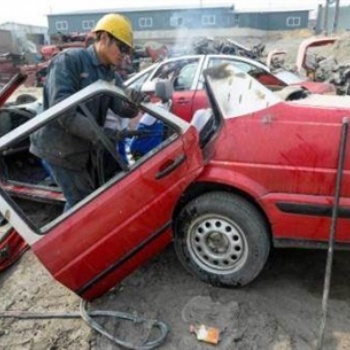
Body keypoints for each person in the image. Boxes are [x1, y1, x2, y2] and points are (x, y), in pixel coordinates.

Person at [30, 13, 143, 211]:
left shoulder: (110, 75)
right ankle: (63, 242)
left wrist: (133, 103)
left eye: (128, 50)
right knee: (81, 206)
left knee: (87, 201)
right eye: (122, 47)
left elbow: (121, 109)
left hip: (83, 150)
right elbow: (63, 111)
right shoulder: (70, 60)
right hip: (59, 149)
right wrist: (100, 134)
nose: (124, 55)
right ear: (105, 38)